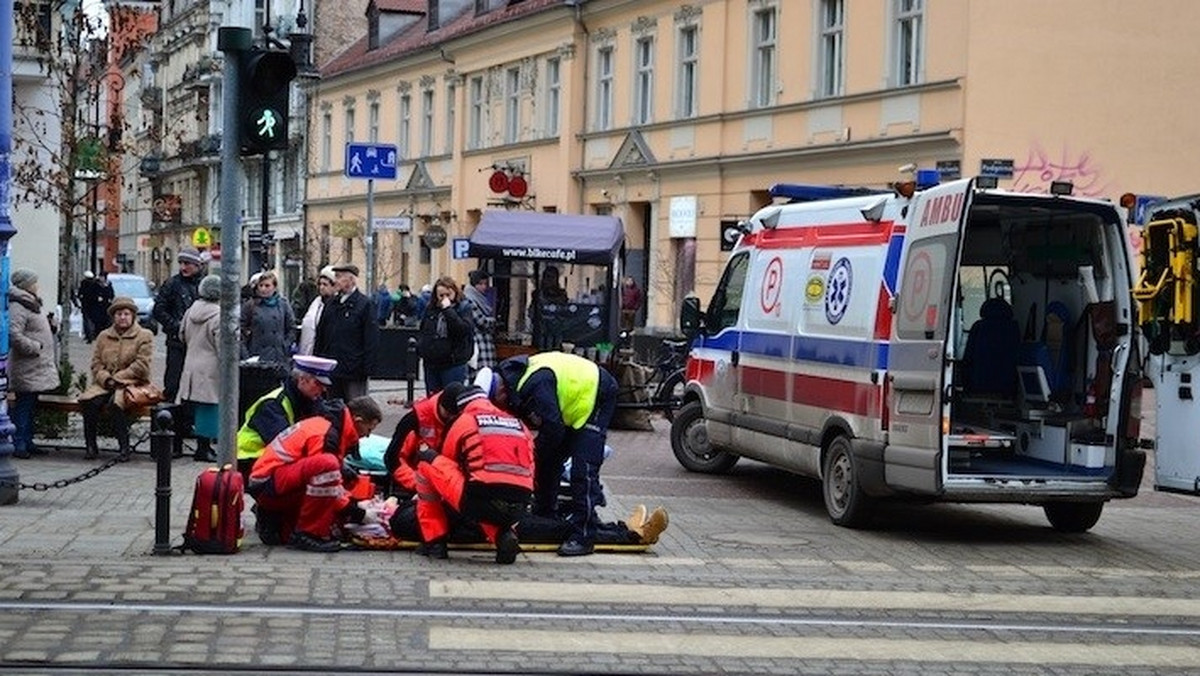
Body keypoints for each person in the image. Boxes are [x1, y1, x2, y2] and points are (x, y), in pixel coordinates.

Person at [486, 351, 619, 556]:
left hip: (597, 393)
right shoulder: (517, 385)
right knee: (548, 461)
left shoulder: (534, 385)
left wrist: (532, 455)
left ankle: (584, 536)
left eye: (496, 403)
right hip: (569, 409)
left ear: (501, 391)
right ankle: (546, 515)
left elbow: (553, 430)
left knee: (582, 469)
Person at [410, 385, 533, 564]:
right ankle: (503, 535)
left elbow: (447, 462)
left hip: (479, 500)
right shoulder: (518, 424)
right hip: (520, 505)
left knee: (427, 462)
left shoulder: (466, 420)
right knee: (484, 489)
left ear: (462, 407)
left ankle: (434, 541)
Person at [247, 396, 383, 552]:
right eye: (369, 429)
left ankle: (277, 522)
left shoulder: (329, 427)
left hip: (273, 482)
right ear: (358, 421)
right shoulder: (327, 434)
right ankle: (307, 534)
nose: (367, 436)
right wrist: (358, 512)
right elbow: (327, 478)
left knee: (336, 471)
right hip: (268, 484)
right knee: (328, 465)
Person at [236, 354, 334, 482]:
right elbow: (288, 447)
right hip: (249, 463)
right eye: (318, 383)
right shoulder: (272, 404)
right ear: (302, 380)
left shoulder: (309, 401)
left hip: (268, 460)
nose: (323, 389)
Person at [78, 297, 155, 459]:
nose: (122, 317)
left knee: (116, 404)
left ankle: (124, 448)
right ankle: (91, 447)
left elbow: (141, 365)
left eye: (126, 314)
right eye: (119, 314)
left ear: (133, 316)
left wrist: (118, 378)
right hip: (105, 383)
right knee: (89, 403)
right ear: (113, 316)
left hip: (131, 384)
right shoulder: (103, 336)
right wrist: (106, 378)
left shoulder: (144, 335)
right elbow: (96, 364)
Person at [8, 269, 59, 458]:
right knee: (23, 405)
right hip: (27, 365)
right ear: (27, 285)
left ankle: (27, 441)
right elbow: (14, 334)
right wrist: (35, 347)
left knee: (30, 406)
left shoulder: (30, 303)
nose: (38, 285)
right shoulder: (19, 305)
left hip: (35, 366)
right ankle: (19, 443)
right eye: (35, 282)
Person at [382, 382, 465, 499]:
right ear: (440, 405)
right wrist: (418, 483)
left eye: (455, 416)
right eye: (448, 414)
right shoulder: (414, 420)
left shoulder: (463, 421)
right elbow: (393, 459)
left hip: (447, 485)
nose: (451, 419)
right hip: (416, 484)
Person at [313, 264, 379, 401]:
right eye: (336, 276)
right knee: (333, 407)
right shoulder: (331, 303)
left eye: (339, 277)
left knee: (355, 407)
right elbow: (321, 335)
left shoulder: (364, 304)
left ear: (351, 280)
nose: (336, 280)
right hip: (332, 367)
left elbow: (371, 339)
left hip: (354, 369)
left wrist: (366, 368)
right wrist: (317, 361)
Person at [178, 274, 222, 463]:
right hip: (211, 367)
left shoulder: (190, 311)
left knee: (196, 408)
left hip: (191, 363)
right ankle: (204, 449)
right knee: (210, 408)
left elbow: (181, 335)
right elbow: (223, 347)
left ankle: (200, 447)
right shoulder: (219, 315)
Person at [153, 246, 203, 403]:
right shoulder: (172, 284)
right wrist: (177, 327)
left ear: (197, 265)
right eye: (181, 263)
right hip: (177, 342)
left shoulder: (203, 285)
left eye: (187, 263)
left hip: (199, 343)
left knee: (196, 384)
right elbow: (159, 310)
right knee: (173, 383)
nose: (183, 267)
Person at [416, 275, 474, 395]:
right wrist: (422, 349)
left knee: (451, 397)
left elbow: (462, 330)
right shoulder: (431, 309)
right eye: (441, 295)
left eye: (448, 294)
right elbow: (424, 330)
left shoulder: (463, 308)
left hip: (453, 362)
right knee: (433, 398)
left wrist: (448, 310)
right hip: (432, 362)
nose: (444, 298)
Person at [240, 270, 297, 366]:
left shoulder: (283, 304)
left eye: (267, 286)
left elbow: (291, 327)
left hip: (278, 356)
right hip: (256, 355)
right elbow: (240, 330)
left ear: (274, 287)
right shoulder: (250, 305)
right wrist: (245, 354)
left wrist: (285, 345)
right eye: (260, 285)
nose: (263, 289)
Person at [464, 269, 497, 376]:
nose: (484, 287)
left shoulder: (479, 299)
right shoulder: (470, 300)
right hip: (479, 342)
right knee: (481, 374)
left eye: (485, 284)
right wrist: (493, 321)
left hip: (483, 342)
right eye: (480, 284)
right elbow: (481, 321)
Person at [297, 266, 336, 356]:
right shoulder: (315, 303)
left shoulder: (336, 306)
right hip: (310, 352)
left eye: (325, 284)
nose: (321, 287)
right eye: (320, 284)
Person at [531, 266, 569, 349]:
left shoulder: (561, 293)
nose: (549, 280)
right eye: (547, 277)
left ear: (556, 279)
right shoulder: (537, 293)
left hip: (557, 329)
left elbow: (565, 310)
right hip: (541, 329)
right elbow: (532, 311)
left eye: (552, 277)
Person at [78, 271, 114, 343]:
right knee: (97, 322)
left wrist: (109, 299)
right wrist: (96, 298)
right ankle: (96, 336)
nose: (101, 278)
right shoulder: (95, 285)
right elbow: (90, 295)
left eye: (103, 277)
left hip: (106, 307)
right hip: (96, 307)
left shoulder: (108, 285)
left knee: (105, 322)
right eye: (101, 277)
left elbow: (111, 294)